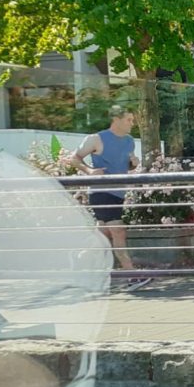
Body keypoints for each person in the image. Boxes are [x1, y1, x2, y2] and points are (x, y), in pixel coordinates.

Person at [74, 105, 149, 288]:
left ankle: (78, 262)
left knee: (103, 235)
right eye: (128, 120)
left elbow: (126, 165)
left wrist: (133, 164)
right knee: (118, 231)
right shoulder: (96, 139)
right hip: (101, 192)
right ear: (116, 119)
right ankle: (131, 275)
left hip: (118, 192)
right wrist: (90, 170)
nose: (132, 123)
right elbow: (75, 158)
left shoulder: (130, 141)